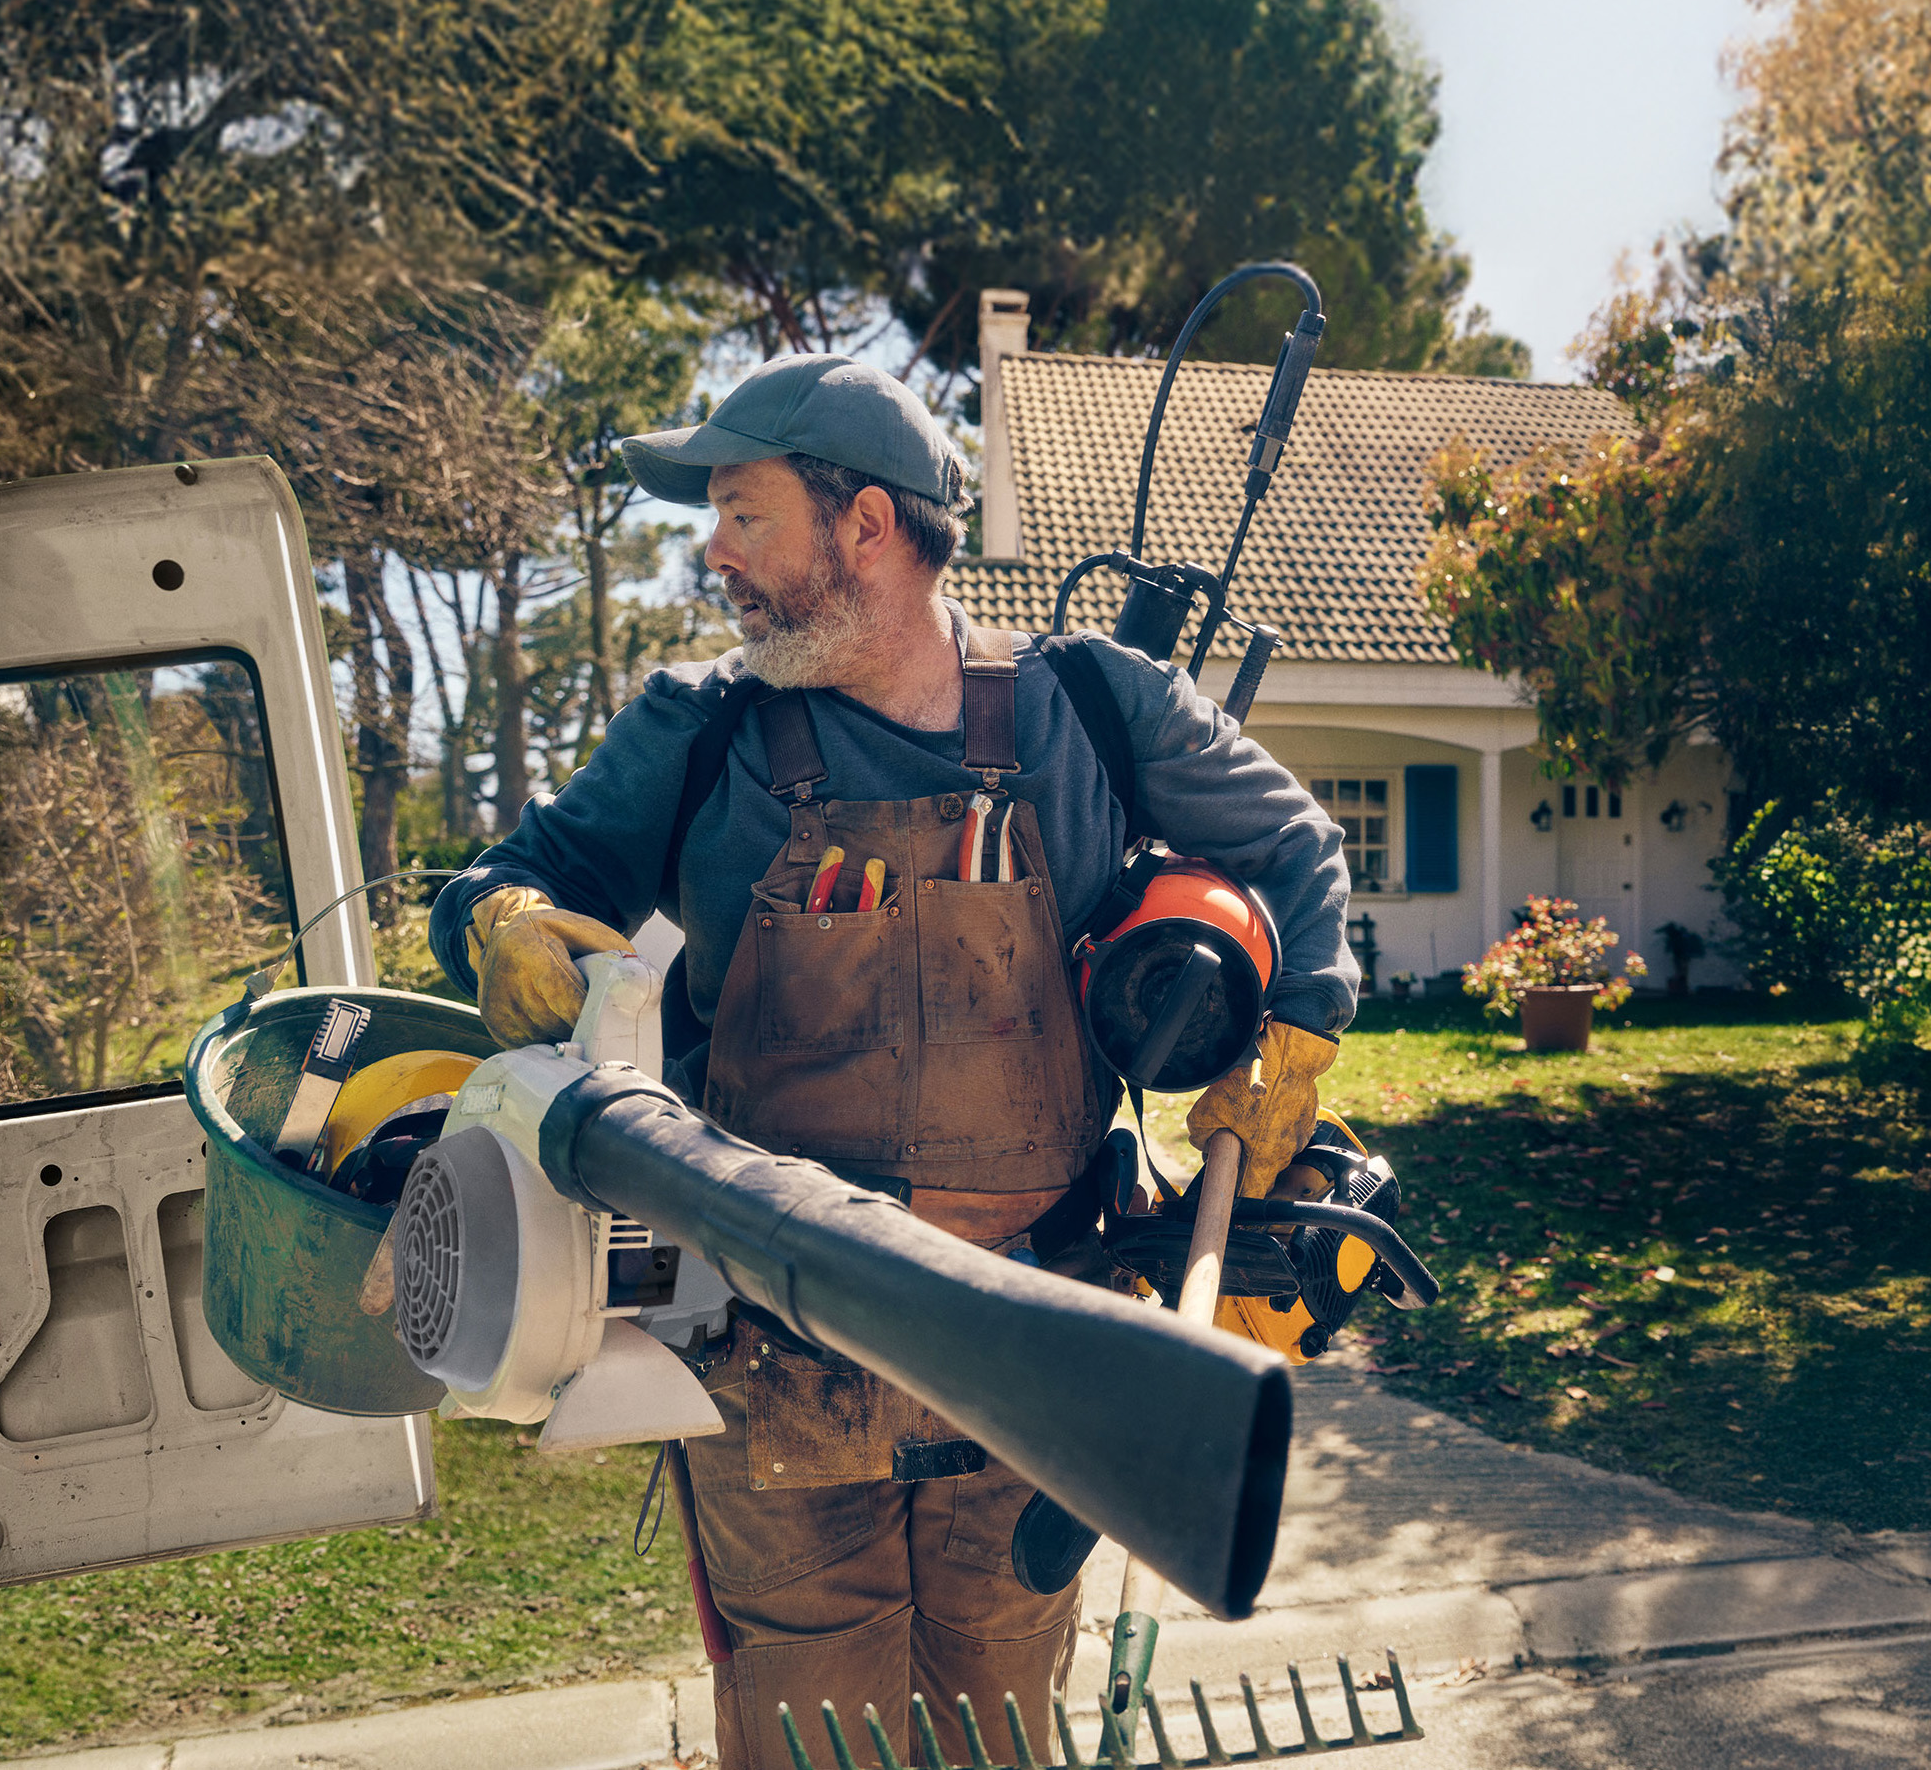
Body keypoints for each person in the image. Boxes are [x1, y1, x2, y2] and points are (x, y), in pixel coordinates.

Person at [426, 355, 1355, 1761]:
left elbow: (1298, 849)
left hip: (1030, 1360)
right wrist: (501, 923)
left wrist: (1288, 1042)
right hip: (777, 1371)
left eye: (745, 514)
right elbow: (509, 876)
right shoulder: (698, 733)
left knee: (1000, 1738)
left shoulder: (1092, 710)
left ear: (865, 524)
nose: (711, 551)